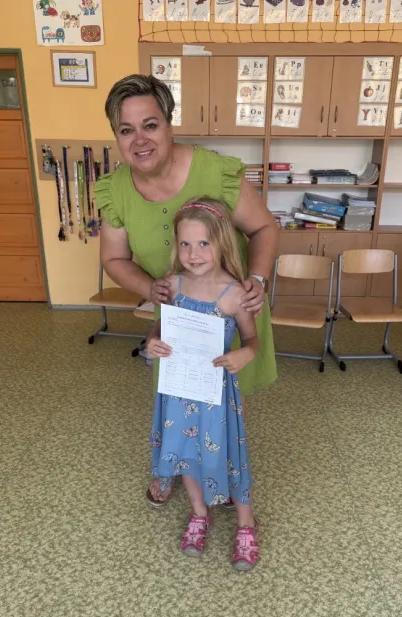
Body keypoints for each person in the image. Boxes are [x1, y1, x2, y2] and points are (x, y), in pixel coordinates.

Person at [95, 74, 278, 508]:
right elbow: (114, 259)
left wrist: (257, 280)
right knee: (175, 395)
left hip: (230, 308)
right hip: (177, 313)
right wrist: (153, 289)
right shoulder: (116, 189)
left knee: (224, 400)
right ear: (117, 136)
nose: (140, 139)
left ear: (169, 124)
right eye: (126, 129)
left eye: (150, 124)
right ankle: (172, 466)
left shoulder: (216, 172)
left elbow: (265, 228)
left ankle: (223, 469)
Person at [146, 196, 259, 570]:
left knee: (228, 453)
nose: (193, 254)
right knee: (184, 451)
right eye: (185, 243)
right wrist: (152, 342)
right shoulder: (172, 285)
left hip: (216, 394)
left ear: (221, 243)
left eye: (203, 243)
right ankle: (199, 513)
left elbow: (253, 341)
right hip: (179, 390)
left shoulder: (234, 293)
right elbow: (160, 327)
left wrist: (245, 354)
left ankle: (245, 523)